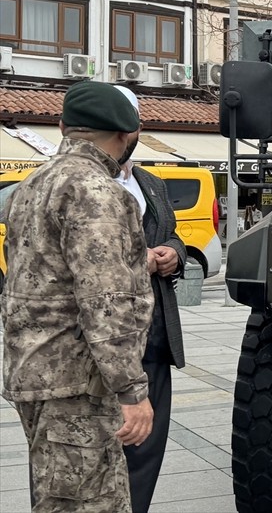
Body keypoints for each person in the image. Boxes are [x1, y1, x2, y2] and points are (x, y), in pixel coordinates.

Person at [1, 81, 155, 512]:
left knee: (59, 495)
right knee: (89, 503)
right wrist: (133, 391)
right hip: (76, 382)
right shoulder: (96, 191)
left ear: (65, 126)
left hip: (37, 371)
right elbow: (104, 300)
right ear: (127, 134)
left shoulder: (33, 184)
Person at [113, 86, 186, 513]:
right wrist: (130, 259)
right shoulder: (78, 185)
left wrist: (172, 253)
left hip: (155, 340)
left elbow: (171, 233)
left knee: (145, 454)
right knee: (102, 456)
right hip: (104, 344)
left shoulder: (151, 182)